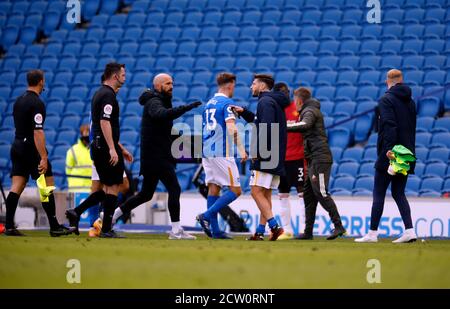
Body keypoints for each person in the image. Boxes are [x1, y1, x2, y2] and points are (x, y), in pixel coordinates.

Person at [110, 73, 201, 240]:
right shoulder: (154, 102)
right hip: (157, 157)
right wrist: (186, 108)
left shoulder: (159, 100)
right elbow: (161, 114)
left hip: (153, 156)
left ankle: (112, 216)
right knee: (174, 188)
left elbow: (164, 129)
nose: (171, 86)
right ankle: (175, 230)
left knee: (145, 194)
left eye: (172, 83)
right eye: (167, 83)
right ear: (158, 86)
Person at [4, 69, 71, 237]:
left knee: (16, 186)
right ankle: (54, 226)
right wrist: (43, 156)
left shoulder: (18, 100)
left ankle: (9, 226)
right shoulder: (37, 103)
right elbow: (38, 132)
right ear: (41, 81)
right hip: (31, 149)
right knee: (46, 187)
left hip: (17, 145)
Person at [65, 71, 133, 236]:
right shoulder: (107, 96)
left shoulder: (99, 95)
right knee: (112, 186)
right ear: (114, 77)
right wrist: (113, 148)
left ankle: (80, 213)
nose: (125, 77)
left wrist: (120, 148)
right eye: (122, 75)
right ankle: (98, 225)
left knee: (115, 186)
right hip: (103, 148)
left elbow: (101, 125)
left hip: (99, 147)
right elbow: (103, 124)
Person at [355, 69, 417, 243]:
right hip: (407, 153)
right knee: (399, 193)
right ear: (401, 80)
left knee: (379, 192)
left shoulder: (386, 100)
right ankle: (410, 231)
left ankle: (372, 234)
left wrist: (389, 152)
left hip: (390, 153)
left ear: (387, 81)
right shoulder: (411, 102)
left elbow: (390, 126)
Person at [232, 74, 290, 241]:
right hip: (276, 155)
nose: (251, 87)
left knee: (255, 191)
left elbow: (266, 128)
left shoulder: (265, 102)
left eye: (254, 83)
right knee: (265, 194)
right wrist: (245, 113)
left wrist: (258, 151)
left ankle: (274, 226)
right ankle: (259, 232)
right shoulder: (273, 101)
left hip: (265, 155)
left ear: (262, 85)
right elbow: (261, 121)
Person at [287, 87, 346, 240]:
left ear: (299, 100)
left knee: (321, 192)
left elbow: (305, 125)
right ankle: (308, 232)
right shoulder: (310, 110)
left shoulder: (310, 111)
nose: (294, 103)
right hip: (313, 159)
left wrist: (284, 126)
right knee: (308, 195)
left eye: (295, 100)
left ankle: (338, 226)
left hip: (319, 158)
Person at [196, 72, 248, 239]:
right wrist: (241, 149)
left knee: (214, 187)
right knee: (236, 190)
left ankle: (216, 231)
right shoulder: (227, 103)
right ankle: (206, 215)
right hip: (221, 151)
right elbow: (231, 127)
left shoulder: (209, 103)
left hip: (206, 150)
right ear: (230, 85)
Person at [272, 82, 306, 240]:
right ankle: (287, 230)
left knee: (302, 194)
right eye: (281, 92)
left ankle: (306, 229)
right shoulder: (273, 110)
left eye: (286, 92)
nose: (284, 95)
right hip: (281, 160)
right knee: (283, 195)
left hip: (298, 158)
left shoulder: (297, 109)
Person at [66, 124, 92, 193]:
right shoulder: (72, 151)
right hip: (76, 190)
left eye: (88, 133)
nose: (87, 136)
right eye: (85, 133)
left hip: (92, 189)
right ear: (81, 134)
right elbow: (68, 171)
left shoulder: (96, 150)